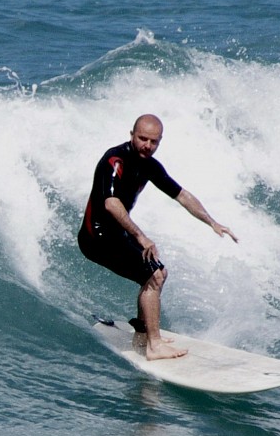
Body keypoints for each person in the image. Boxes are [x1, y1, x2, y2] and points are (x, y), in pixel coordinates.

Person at [77, 114, 238, 360]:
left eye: (154, 142)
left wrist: (212, 222)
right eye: (142, 139)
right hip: (95, 236)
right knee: (153, 275)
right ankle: (154, 346)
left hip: (116, 234)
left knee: (158, 273)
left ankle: (143, 335)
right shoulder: (114, 160)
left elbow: (182, 195)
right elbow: (111, 204)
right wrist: (141, 237)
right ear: (131, 134)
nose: (147, 146)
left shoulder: (149, 165)